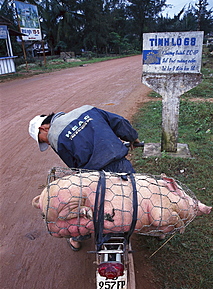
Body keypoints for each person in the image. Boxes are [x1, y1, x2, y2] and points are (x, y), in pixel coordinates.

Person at [29, 104, 140, 251]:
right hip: (121, 166)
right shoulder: (87, 110)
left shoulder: (55, 136)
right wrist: (133, 138)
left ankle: (79, 236)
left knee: (92, 209)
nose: (47, 142)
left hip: (95, 179)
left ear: (43, 128)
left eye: (43, 140)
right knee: (133, 199)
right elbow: (119, 122)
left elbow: (74, 165)